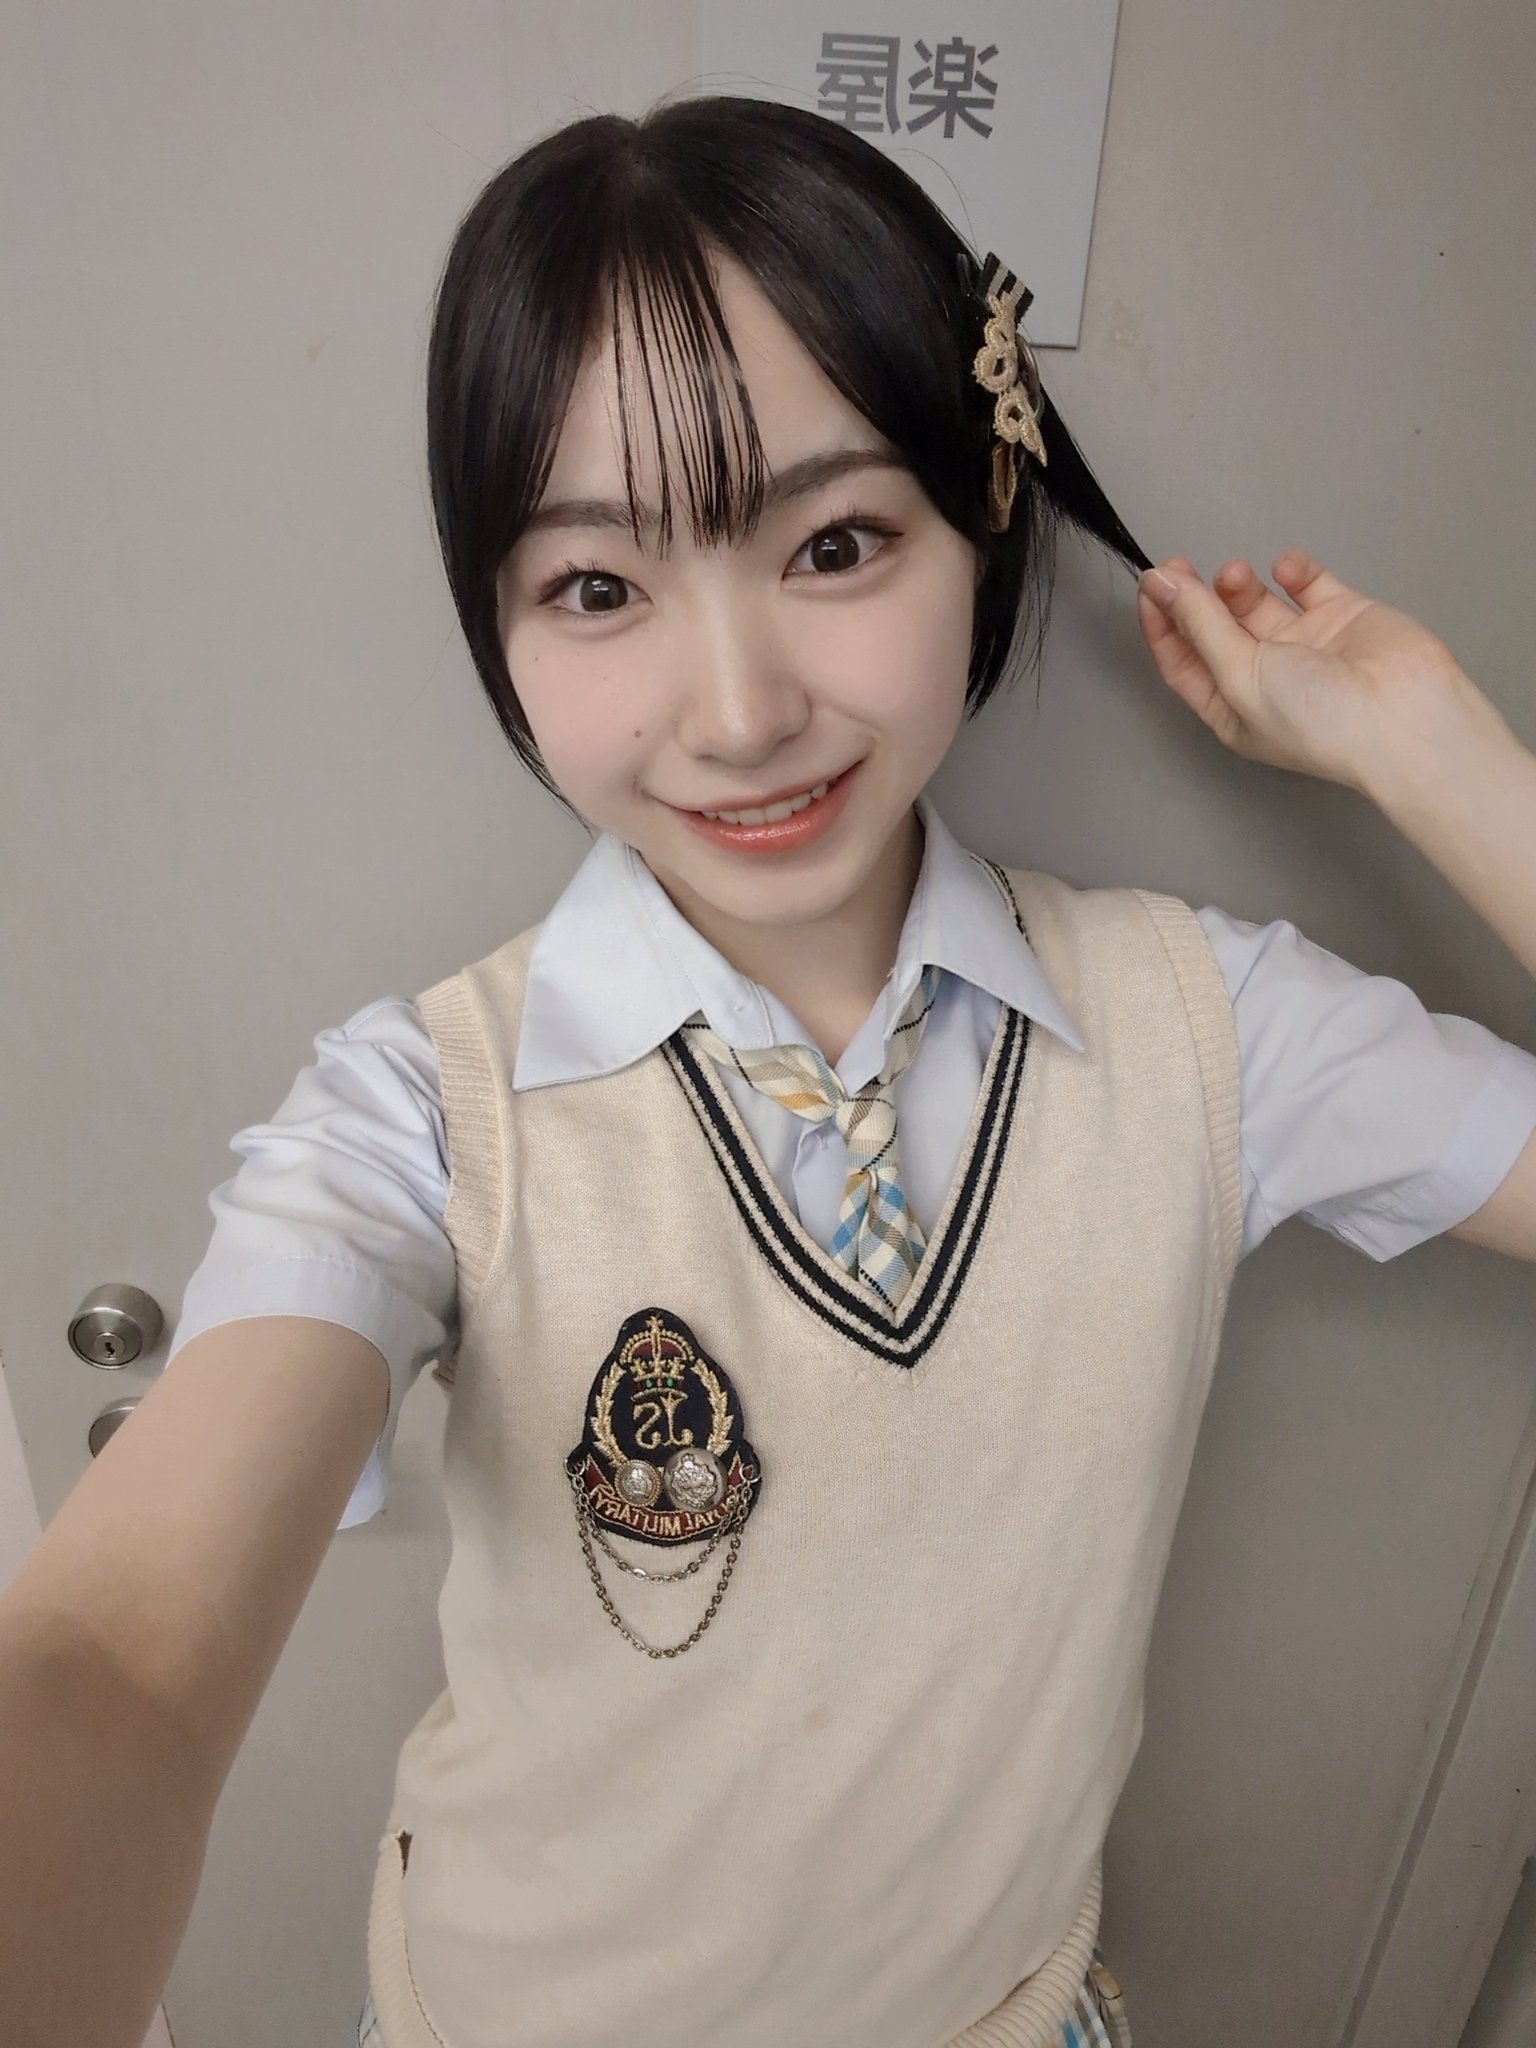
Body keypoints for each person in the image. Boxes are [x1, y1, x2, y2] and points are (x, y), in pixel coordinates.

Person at [3, 93, 1535, 2048]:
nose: (737, 713)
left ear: (980, 527)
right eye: (597, 588)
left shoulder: (1205, 1030)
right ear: (498, 624)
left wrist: (1432, 753)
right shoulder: (422, 1119)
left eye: (835, 542)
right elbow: (121, 1663)